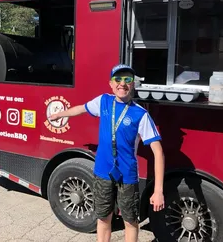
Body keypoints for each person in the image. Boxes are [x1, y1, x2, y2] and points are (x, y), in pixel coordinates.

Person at [49, 64, 165, 242]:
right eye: (118, 79)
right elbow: (81, 108)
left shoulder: (140, 114)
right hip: (102, 172)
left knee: (130, 221)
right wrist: (61, 114)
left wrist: (158, 191)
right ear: (111, 84)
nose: (122, 84)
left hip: (127, 176)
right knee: (103, 218)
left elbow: (158, 153)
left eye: (127, 80)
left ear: (133, 84)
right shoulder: (103, 101)